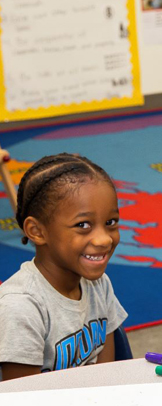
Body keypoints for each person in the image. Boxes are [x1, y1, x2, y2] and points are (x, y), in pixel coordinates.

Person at [0, 153, 128, 381]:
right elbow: (21, 402)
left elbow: (107, 377)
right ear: (37, 231)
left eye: (110, 223)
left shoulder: (99, 284)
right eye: (83, 225)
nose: (104, 240)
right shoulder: (21, 306)